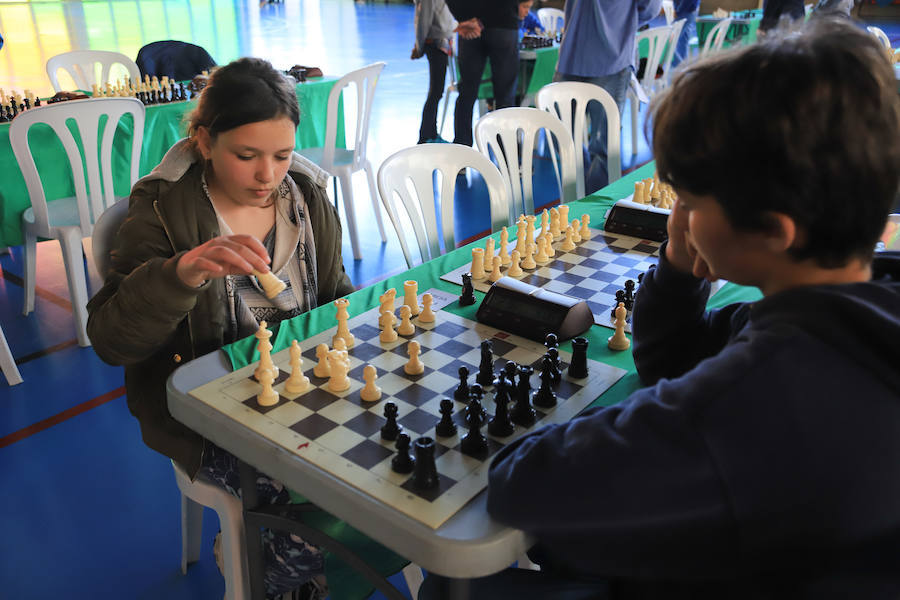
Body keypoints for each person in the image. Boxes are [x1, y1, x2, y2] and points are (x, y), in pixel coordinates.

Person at [422, 18, 900, 599]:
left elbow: (524, 482)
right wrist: (677, 260)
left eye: (692, 203)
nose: (678, 217)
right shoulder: (854, 315)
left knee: (455, 586)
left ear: (773, 231)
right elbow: (674, 361)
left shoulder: (749, 398)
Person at [87, 57, 355, 599]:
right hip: (209, 412)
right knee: (326, 513)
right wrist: (179, 274)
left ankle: (276, 562)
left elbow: (335, 297)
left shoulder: (306, 195)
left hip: (306, 393)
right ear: (205, 142)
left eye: (281, 155)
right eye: (246, 156)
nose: (267, 175)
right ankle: (248, 560)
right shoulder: (163, 210)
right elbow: (111, 340)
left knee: (382, 476)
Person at [554, 0, 662, 194]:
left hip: (611, 58)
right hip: (572, 54)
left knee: (603, 143)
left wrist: (621, 24)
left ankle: (592, 204)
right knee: (561, 136)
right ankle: (580, 192)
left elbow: (651, 7)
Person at [446, 0, 520, 147]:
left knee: (466, 93)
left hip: (471, 24)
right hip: (504, 23)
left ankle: (462, 150)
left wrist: (462, 18)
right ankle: (508, 156)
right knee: (505, 96)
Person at [412, 0, 457, 144]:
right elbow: (423, 19)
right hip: (436, 44)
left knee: (437, 92)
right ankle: (425, 136)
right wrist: (419, 46)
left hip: (443, 41)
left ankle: (431, 133)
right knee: (435, 91)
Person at [671, 0, 700, 67]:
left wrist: (678, 11)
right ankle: (683, 65)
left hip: (684, 11)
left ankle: (680, 65)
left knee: (668, 42)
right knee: (683, 40)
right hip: (690, 11)